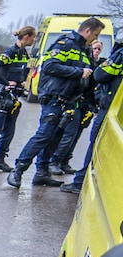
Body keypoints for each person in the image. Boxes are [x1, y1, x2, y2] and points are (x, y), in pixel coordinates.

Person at [7, 17, 105, 188]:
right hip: (54, 98)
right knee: (44, 134)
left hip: (69, 101)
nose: (95, 38)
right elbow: (50, 66)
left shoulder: (85, 49)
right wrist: (78, 71)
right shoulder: (65, 43)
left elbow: (89, 76)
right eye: (95, 34)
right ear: (88, 30)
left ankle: (41, 173)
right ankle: (18, 170)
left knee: (55, 138)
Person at [61, 38, 123, 194]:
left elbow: (100, 74)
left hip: (110, 109)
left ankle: (80, 182)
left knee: (96, 142)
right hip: (116, 109)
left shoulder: (120, 54)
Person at [0, 26, 36, 174]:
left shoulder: (24, 54)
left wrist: (22, 81)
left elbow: (21, 71)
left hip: (14, 97)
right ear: (27, 37)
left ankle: (0, 160)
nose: (34, 40)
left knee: (9, 131)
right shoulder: (9, 52)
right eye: (33, 37)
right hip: (2, 97)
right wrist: (6, 82)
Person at [51, 39, 103, 174]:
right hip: (76, 103)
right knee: (69, 133)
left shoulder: (98, 65)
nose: (96, 51)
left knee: (76, 135)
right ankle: (54, 161)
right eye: (95, 48)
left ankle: (65, 161)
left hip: (87, 105)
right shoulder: (83, 63)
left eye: (99, 49)